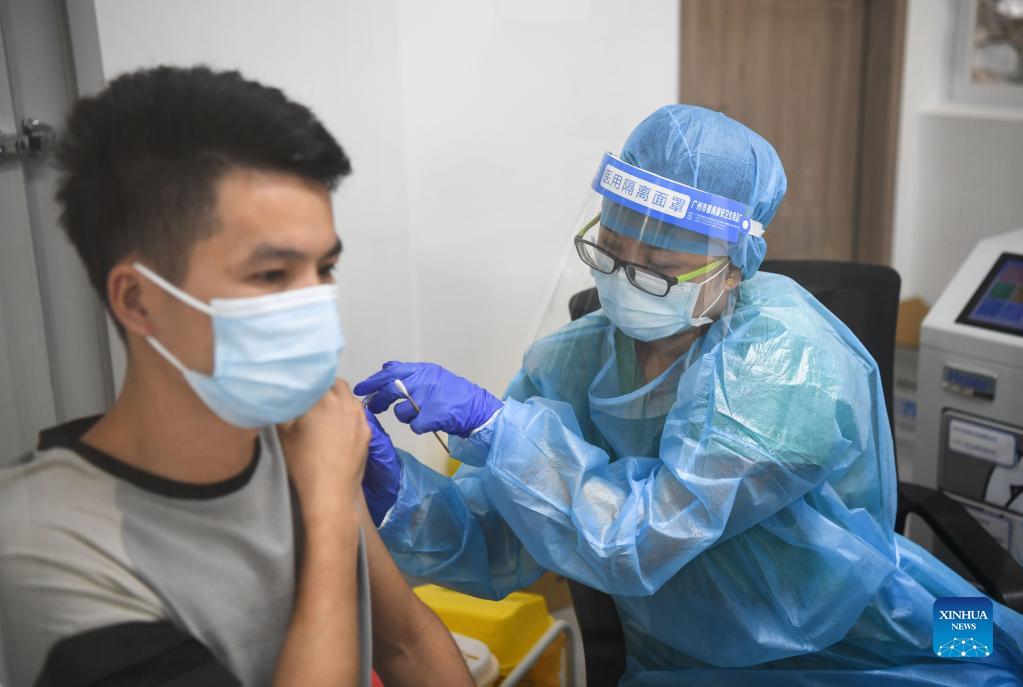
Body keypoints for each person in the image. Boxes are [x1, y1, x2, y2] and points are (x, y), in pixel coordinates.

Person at [355, 105, 1023, 685]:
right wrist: (402, 500)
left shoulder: (786, 360)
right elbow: (513, 530)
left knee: (994, 659)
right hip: (681, 653)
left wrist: (498, 429)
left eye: (660, 269)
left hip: (854, 619)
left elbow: (642, 537)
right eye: (610, 251)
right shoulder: (574, 360)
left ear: (734, 268)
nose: (623, 282)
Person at [0, 66, 472, 687]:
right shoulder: (46, 542)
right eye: (272, 275)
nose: (315, 305)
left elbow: (407, 643)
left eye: (324, 269)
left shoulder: (298, 443)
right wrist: (329, 505)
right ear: (139, 302)